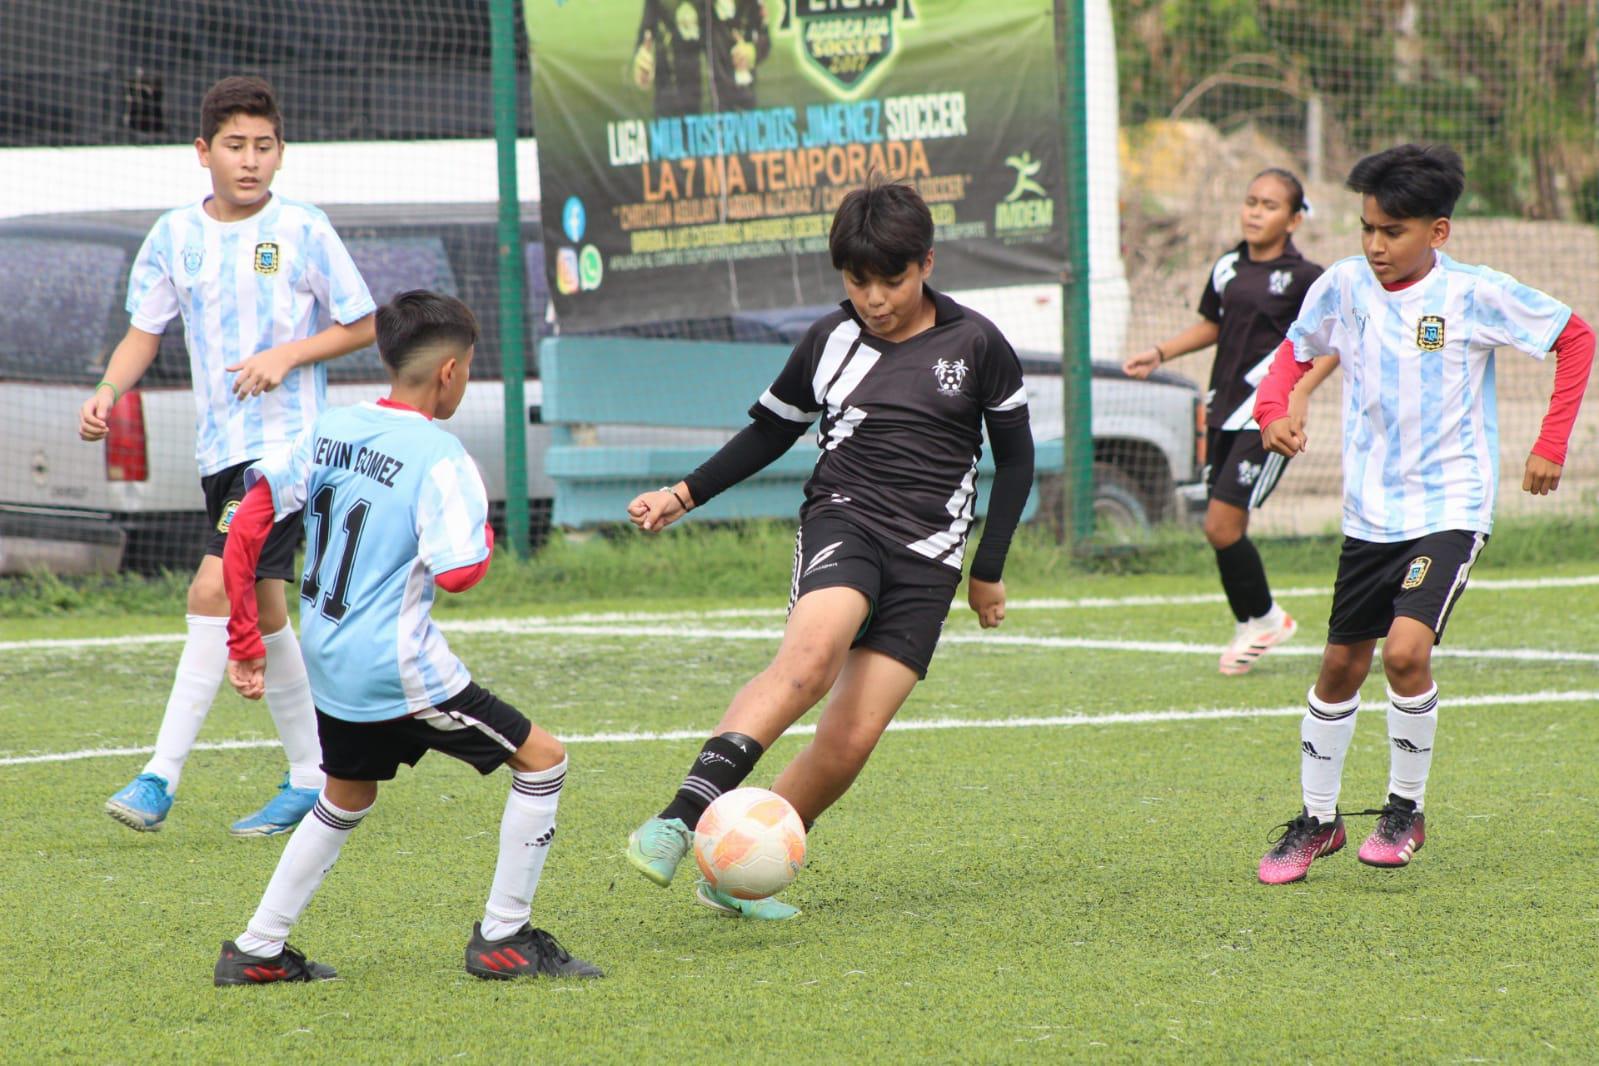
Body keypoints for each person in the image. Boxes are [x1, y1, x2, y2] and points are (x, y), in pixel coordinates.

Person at [622, 177, 1035, 919]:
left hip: (931, 558)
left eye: (892, 279)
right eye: (857, 280)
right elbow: (769, 432)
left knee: (849, 742)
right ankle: (679, 818)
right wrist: (682, 495)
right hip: (845, 519)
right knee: (808, 665)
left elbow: (1018, 458)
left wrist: (989, 570)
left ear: (928, 263)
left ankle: (737, 871)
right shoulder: (829, 339)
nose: (875, 298)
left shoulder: (977, 344)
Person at [213, 291, 601, 984]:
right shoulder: (440, 456)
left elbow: (249, 522)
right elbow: (460, 574)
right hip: (397, 670)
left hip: (325, 658)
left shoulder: (331, 428)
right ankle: (504, 939)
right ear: (450, 371)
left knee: (345, 796)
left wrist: (245, 639)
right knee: (542, 761)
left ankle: (257, 949)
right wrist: (479, 526)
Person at [1252, 144, 1593, 884]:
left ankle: (1404, 809)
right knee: (1340, 665)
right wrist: (1273, 407)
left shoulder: (1472, 294)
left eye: (1393, 231)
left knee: (1403, 653)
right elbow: (1292, 351)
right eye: (1368, 228)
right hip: (1368, 512)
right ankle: (1315, 822)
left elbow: (1574, 337)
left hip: (1449, 506)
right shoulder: (1342, 285)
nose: (1375, 245)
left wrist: (1549, 442)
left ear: (1436, 232)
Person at [80, 76, 376, 837]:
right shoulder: (174, 235)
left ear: (282, 152)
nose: (251, 161)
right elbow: (145, 331)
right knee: (268, 610)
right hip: (222, 452)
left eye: (264, 146)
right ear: (202, 152)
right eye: (236, 146)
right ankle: (314, 776)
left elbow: (363, 321)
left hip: (286, 454)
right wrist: (110, 390)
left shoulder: (304, 229)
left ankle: (159, 777)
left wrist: (288, 354)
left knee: (213, 591)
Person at [1124, 168, 1332, 676]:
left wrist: (1298, 394)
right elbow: (1214, 325)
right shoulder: (1227, 267)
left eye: (1270, 205)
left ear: (1294, 219)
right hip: (1222, 409)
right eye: (1251, 202)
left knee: (1221, 524)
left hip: (1264, 417)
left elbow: (1332, 344)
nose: (1256, 212)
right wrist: (1160, 352)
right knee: (1220, 528)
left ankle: (1264, 618)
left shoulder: (1307, 279)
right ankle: (1253, 621)